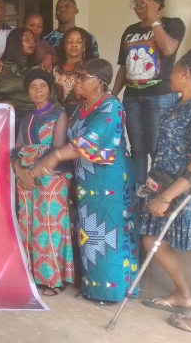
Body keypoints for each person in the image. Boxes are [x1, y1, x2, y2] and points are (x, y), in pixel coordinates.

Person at [34, 58, 138, 306]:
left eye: (83, 77)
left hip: (110, 179)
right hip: (87, 181)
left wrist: (55, 157)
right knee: (90, 232)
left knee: (110, 232)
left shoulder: (111, 107)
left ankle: (114, 291)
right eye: (77, 76)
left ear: (99, 82)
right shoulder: (82, 107)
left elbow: (89, 142)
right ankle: (93, 287)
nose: (77, 82)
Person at [136, 50, 191, 336]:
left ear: (185, 73)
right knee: (151, 238)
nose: (168, 75)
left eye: (173, 70)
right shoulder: (179, 103)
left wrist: (166, 197)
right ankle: (183, 295)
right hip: (166, 183)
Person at [112, 0, 185, 193]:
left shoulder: (173, 24)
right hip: (132, 96)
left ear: (158, 3)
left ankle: (158, 195)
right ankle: (138, 197)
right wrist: (113, 95)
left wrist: (154, 21)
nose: (138, 7)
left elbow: (169, 49)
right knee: (137, 149)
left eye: (143, 2)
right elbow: (124, 67)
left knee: (157, 149)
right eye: (135, 3)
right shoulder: (130, 31)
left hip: (159, 96)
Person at [12, 69, 73, 296]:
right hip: (26, 179)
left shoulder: (59, 114)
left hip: (50, 176)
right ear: (28, 92)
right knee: (27, 224)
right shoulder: (26, 119)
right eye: (33, 87)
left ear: (50, 90)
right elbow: (16, 151)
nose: (38, 91)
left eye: (42, 86)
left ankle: (52, 280)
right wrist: (21, 172)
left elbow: (56, 149)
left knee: (49, 225)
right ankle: (30, 276)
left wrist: (34, 174)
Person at [0, 27, 40, 123]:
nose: (32, 42)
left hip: (35, 119)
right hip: (6, 119)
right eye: (26, 39)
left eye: (33, 40)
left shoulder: (38, 69)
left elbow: (52, 98)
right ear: (15, 43)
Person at [53, 27, 95, 117]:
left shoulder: (90, 69)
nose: (74, 45)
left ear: (85, 46)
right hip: (57, 115)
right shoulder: (55, 68)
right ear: (64, 46)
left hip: (82, 115)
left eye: (79, 42)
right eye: (70, 42)